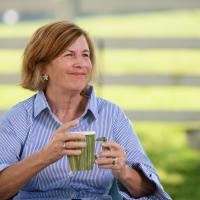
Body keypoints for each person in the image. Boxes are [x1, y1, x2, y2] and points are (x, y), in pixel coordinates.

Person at [0, 21, 171, 200]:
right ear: (43, 66)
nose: (81, 64)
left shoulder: (112, 115)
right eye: (69, 55)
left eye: (85, 55)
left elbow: (148, 191)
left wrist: (123, 171)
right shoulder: (19, 117)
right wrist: (45, 156)